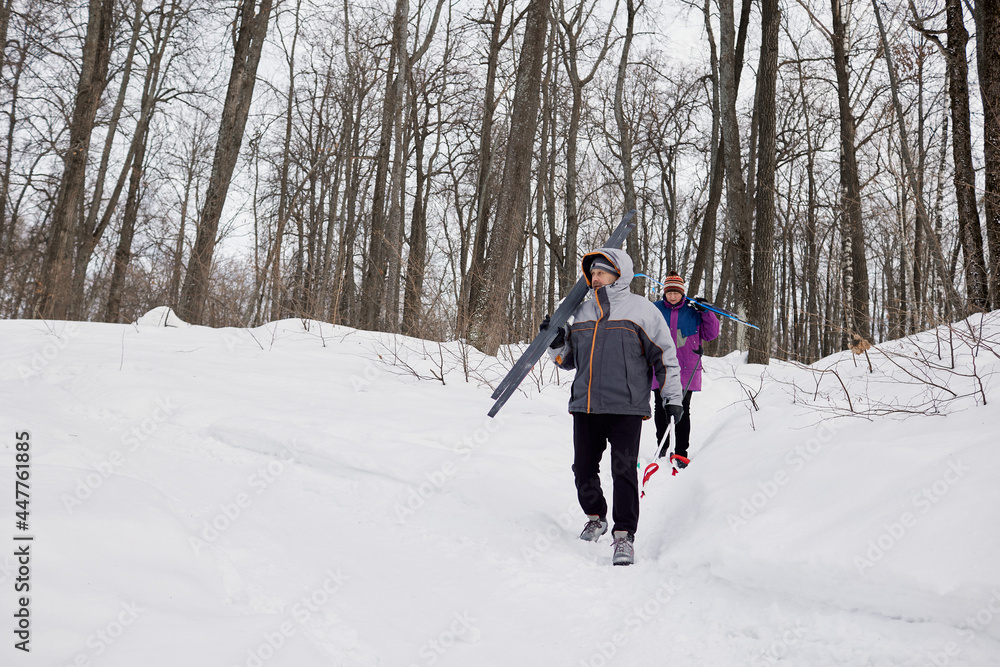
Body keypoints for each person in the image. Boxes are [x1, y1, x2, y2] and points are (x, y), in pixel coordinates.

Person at [543, 248, 682, 566]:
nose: (595, 278)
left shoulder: (642, 311)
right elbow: (569, 361)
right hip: (586, 405)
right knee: (583, 470)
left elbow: (665, 358)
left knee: (623, 472)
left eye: (601, 272)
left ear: (619, 274)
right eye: (592, 274)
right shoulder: (582, 312)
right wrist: (555, 346)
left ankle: (624, 537)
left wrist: (672, 399)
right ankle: (596, 518)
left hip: (626, 408)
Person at [651, 271, 720, 468]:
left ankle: (681, 452)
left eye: (676, 292)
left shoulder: (694, 311)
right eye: (669, 292)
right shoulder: (654, 309)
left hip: (686, 368)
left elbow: (711, 334)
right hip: (660, 365)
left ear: (683, 293)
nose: (673, 296)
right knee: (660, 407)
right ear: (665, 292)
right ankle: (662, 447)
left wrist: (706, 311)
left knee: (683, 409)